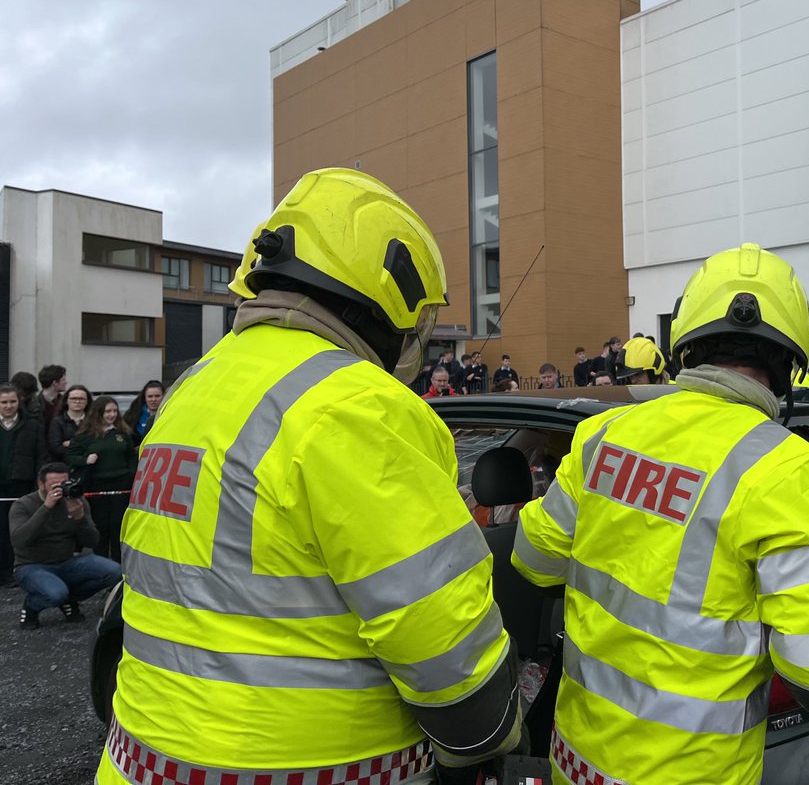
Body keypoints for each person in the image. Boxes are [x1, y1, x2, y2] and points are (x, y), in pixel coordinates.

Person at [96, 169, 521, 785]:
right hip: (307, 764)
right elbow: (436, 628)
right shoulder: (357, 402)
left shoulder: (194, 387)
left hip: (138, 758)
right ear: (391, 298)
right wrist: (486, 736)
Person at [513, 243, 809, 785]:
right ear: (788, 362)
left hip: (578, 759)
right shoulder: (787, 467)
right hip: (696, 772)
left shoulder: (603, 435)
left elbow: (533, 560)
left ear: (687, 346)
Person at [10, 462, 122, 629]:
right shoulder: (23, 505)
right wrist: (46, 507)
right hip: (31, 565)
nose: (61, 489)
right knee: (56, 594)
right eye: (55, 485)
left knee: (116, 572)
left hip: (66, 561)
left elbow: (92, 541)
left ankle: (69, 599)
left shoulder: (76, 501)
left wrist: (80, 518)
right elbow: (19, 540)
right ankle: (32, 604)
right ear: (41, 485)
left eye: (65, 484)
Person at [65, 395, 137, 561]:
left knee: (118, 524)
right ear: (99, 413)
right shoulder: (86, 435)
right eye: (108, 411)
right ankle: (102, 561)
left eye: (114, 411)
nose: (112, 414)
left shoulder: (122, 433)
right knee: (101, 525)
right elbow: (70, 456)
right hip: (97, 485)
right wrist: (85, 460)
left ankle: (120, 563)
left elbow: (130, 455)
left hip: (121, 484)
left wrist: (130, 472)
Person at [0, 383, 48, 587]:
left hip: (20, 487)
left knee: (15, 531)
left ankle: (12, 572)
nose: (8, 406)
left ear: (19, 402)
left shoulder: (32, 425)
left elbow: (41, 455)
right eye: (4, 402)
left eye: (12, 401)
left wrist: (38, 482)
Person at [47, 385, 91, 462]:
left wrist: (72, 443)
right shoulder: (57, 422)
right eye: (73, 398)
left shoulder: (93, 421)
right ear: (66, 401)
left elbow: (97, 446)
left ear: (87, 401)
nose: (77, 401)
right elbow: (56, 449)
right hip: (65, 467)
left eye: (81, 399)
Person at [123, 379, 164, 448]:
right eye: (150, 396)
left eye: (157, 396)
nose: (153, 400)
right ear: (145, 398)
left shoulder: (169, 413)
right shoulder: (134, 415)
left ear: (163, 396)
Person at [37, 364, 67, 437]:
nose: (66, 382)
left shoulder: (65, 402)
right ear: (55, 383)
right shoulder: (35, 404)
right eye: (63, 380)